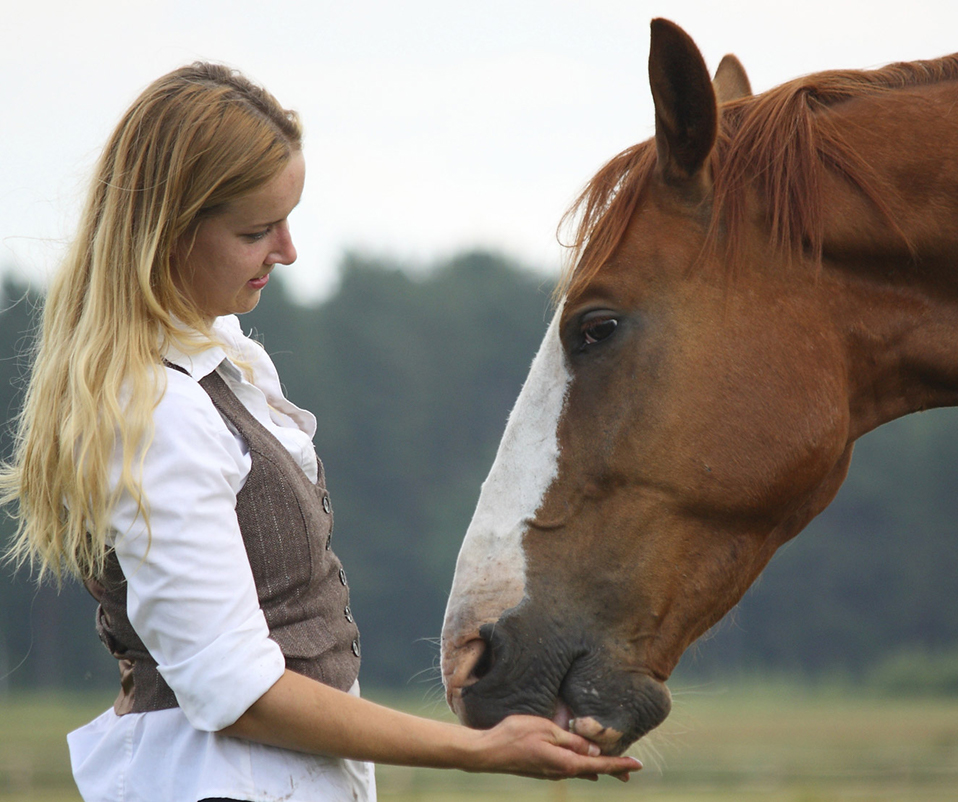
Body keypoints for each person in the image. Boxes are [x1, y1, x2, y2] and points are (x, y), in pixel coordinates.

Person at [0, 63, 642, 801]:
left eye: (288, 218)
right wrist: (480, 750)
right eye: (255, 230)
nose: (288, 250)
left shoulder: (217, 371)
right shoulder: (159, 412)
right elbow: (236, 692)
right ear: (168, 232)